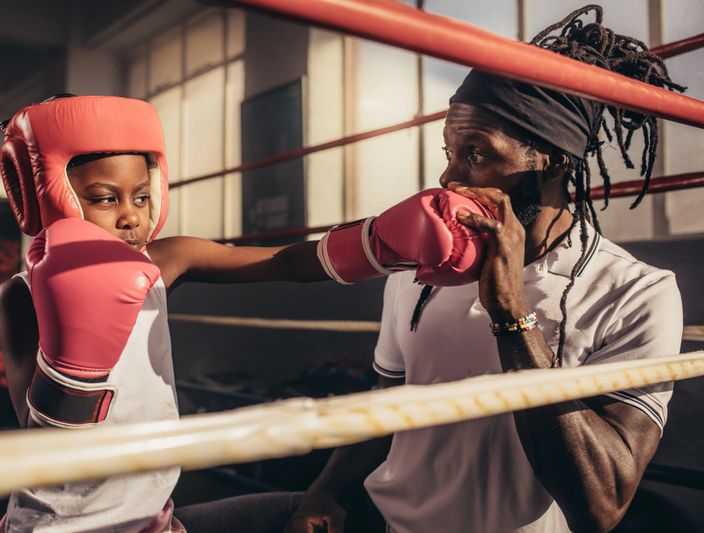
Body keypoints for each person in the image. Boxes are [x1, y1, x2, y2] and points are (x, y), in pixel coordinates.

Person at [0, 94, 490, 532]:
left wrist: (382, 242)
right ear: (47, 196)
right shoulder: (18, 296)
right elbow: (42, 438)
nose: (131, 215)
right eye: (105, 199)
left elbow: (287, 263)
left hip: (154, 520)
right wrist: (78, 354)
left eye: (142, 196)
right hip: (59, 527)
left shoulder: (165, 259)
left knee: (305, 512)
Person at [285, 5, 685, 533]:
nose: (449, 178)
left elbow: (601, 505)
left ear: (552, 160)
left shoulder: (635, 293)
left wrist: (513, 316)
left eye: (476, 154)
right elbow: (391, 398)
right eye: (450, 150)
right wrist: (324, 490)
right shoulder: (420, 267)